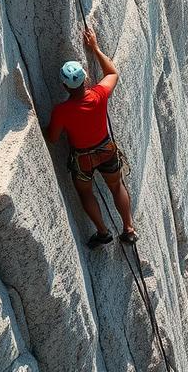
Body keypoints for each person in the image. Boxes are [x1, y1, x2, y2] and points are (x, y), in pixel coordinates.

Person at [47, 28, 138, 248]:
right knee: (117, 186)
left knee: (85, 192)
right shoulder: (98, 94)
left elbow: (52, 138)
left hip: (83, 159)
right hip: (105, 150)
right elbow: (112, 73)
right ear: (85, 79)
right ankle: (129, 229)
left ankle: (103, 231)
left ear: (64, 86)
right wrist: (95, 47)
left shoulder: (62, 111)